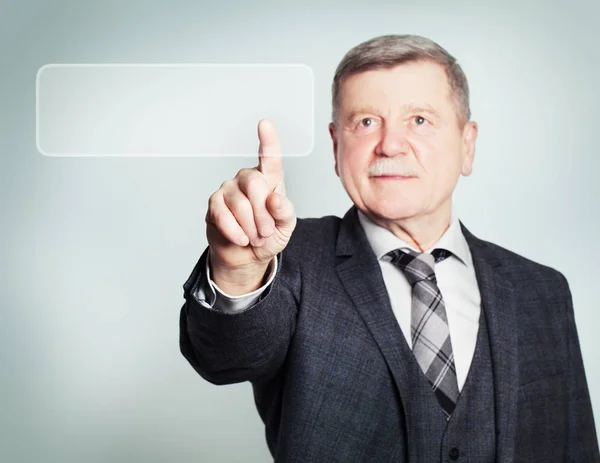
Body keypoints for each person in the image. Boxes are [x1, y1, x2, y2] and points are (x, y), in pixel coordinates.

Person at [179, 34, 599, 462]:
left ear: (467, 144)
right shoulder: (288, 262)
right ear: (336, 147)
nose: (390, 144)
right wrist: (237, 270)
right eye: (365, 122)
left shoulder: (542, 292)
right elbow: (224, 358)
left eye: (419, 120)